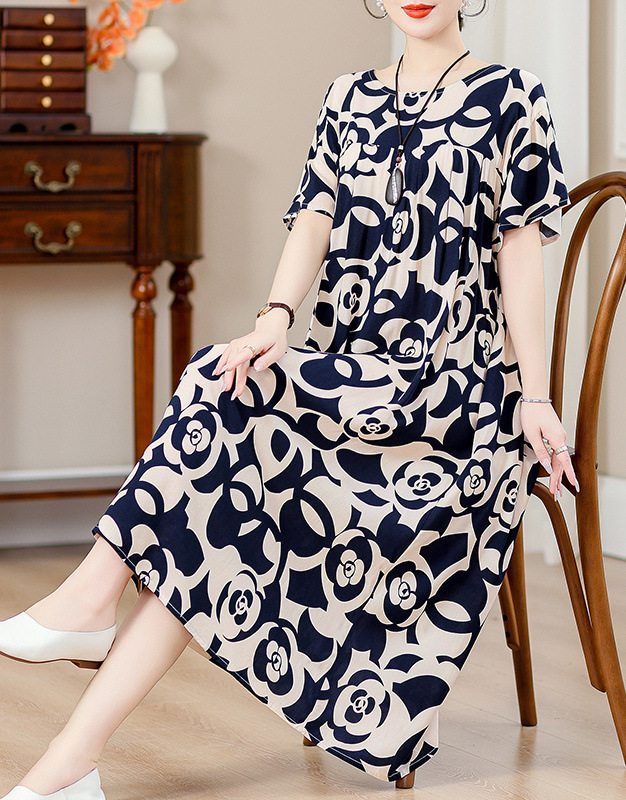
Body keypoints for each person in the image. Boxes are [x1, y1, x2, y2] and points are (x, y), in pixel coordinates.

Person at [0, 0, 579, 796]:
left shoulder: (512, 95)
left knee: (214, 485)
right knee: (219, 387)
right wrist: (274, 319)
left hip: (448, 396)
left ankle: (89, 618)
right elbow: (314, 218)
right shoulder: (348, 95)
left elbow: (520, 251)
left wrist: (536, 397)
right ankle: (76, 748)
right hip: (350, 372)